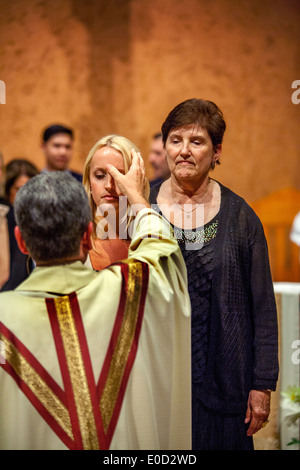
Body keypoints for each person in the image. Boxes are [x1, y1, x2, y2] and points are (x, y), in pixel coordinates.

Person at [0, 158, 191, 450]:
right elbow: (163, 254)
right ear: (88, 236)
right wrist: (139, 200)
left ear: (21, 242)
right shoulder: (129, 291)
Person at [149, 98, 279, 450]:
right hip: (154, 385)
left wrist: (262, 384)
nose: (185, 151)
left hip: (225, 388)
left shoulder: (241, 218)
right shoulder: (141, 209)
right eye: (175, 140)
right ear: (164, 147)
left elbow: (263, 307)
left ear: (217, 150)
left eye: (197, 141)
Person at [83, 134, 150, 270]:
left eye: (120, 177)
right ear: (89, 182)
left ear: (138, 180)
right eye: (100, 176)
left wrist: (136, 196)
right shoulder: (71, 239)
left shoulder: (150, 232)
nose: (109, 185)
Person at [1, 158, 39, 292]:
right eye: (18, 189)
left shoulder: (41, 220)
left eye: (30, 189)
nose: (24, 195)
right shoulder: (4, 220)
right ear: (7, 190)